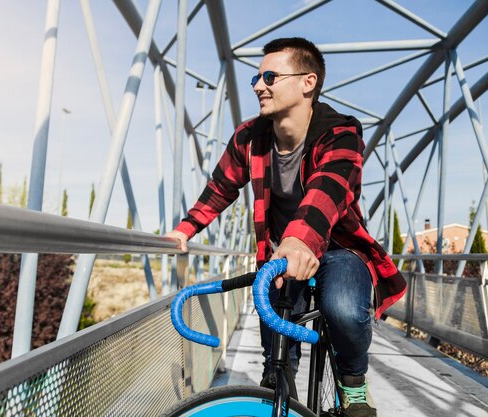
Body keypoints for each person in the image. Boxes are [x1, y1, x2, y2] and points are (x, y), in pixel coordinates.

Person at [165, 37, 407, 417]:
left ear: (308, 82)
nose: (259, 85)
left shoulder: (341, 131)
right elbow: (220, 187)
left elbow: (330, 185)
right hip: (280, 252)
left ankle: (354, 384)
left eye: (270, 76)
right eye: (257, 78)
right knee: (277, 355)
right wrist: (184, 230)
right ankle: (281, 388)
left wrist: (300, 239)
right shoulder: (249, 137)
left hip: (336, 246)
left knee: (342, 308)